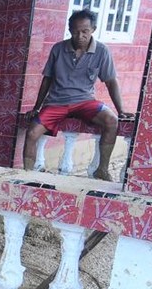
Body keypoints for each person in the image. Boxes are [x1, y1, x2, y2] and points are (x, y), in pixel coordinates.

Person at [23, 9, 134, 181]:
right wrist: (37, 108)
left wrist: (121, 110)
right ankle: (26, 176)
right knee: (31, 134)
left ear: (93, 30)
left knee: (111, 120)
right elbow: (47, 80)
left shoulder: (102, 51)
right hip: (56, 103)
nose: (80, 36)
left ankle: (102, 170)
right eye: (75, 31)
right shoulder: (58, 49)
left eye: (85, 31)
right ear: (69, 30)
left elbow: (111, 81)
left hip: (85, 102)